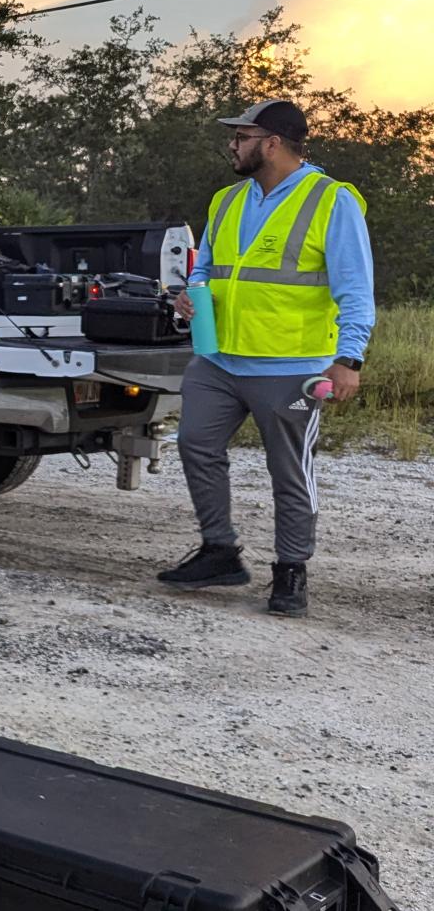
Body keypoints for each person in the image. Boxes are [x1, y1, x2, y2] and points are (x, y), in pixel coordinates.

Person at [158, 99, 375, 617]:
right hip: (219, 360)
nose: (233, 144)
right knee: (195, 445)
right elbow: (206, 266)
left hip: (293, 367)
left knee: (289, 472)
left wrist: (349, 359)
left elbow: (356, 288)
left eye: (242, 136)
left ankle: (291, 572)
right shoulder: (226, 200)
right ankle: (220, 552)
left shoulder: (332, 201)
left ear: (272, 142)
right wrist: (193, 291)